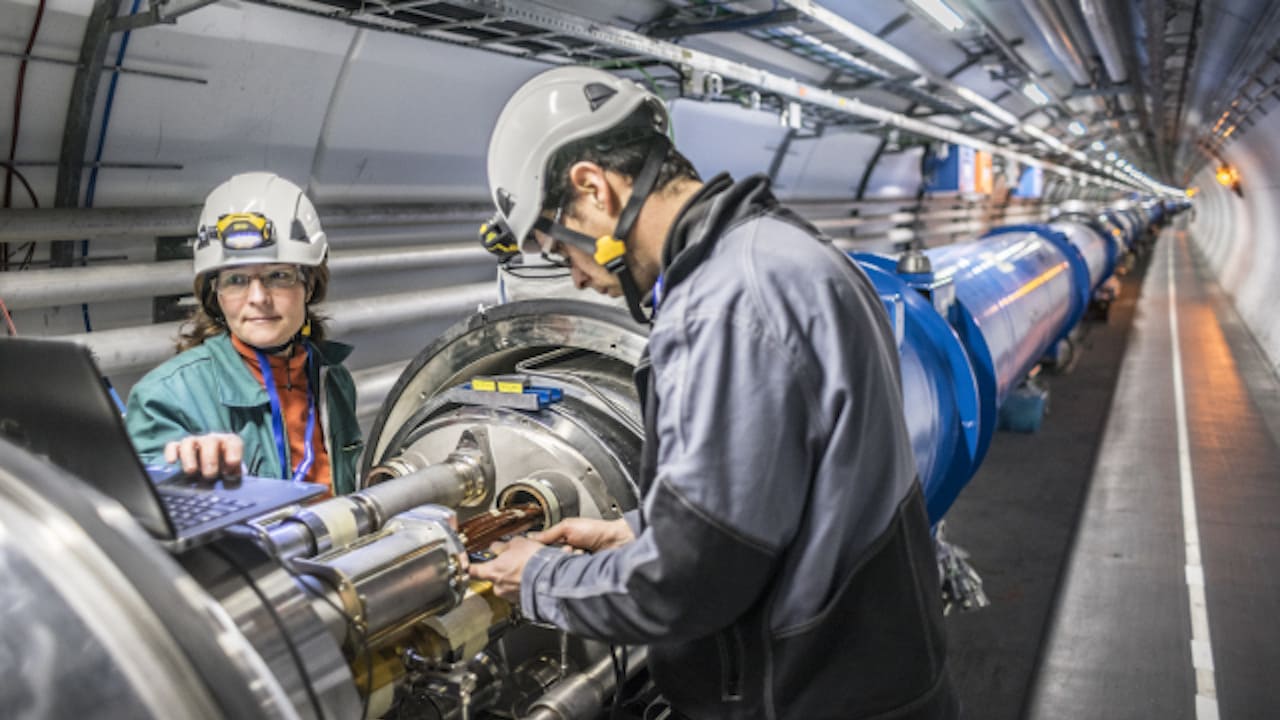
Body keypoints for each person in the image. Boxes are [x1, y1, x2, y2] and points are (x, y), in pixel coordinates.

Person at [469, 67, 957, 719]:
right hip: (868, 677)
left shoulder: (724, 305)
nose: (578, 279)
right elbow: (778, 491)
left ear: (593, 188)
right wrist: (635, 532)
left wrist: (537, 578)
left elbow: (687, 584)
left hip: (816, 698)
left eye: (560, 250)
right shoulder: (776, 250)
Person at [125, 172, 362, 496]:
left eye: (279, 276)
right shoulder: (166, 397)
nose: (258, 298)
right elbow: (146, 500)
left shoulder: (332, 378)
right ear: (215, 294)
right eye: (236, 280)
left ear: (309, 285)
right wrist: (186, 478)